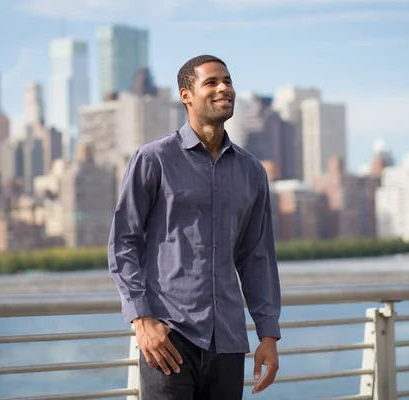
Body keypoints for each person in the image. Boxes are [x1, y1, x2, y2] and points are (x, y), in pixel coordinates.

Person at [108, 54, 281, 399]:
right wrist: (141, 320)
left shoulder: (252, 171)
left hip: (229, 342)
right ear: (186, 95)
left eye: (228, 81)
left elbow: (256, 257)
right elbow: (123, 243)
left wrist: (268, 335)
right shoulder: (154, 159)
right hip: (168, 340)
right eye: (212, 82)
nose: (224, 89)